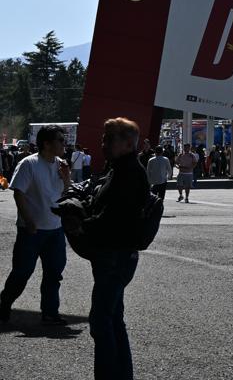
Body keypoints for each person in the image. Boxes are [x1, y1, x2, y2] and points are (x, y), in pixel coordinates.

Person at [81, 117, 150, 379]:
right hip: (114, 255)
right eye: (103, 137)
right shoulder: (120, 169)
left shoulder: (128, 173)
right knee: (113, 320)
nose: (103, 143)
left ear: (129, 143)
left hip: (115, 255)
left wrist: (82, 224)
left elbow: (115, 218)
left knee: (101, 322)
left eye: (109, 139)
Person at [0, 124, 71, 326]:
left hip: (55, 229)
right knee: (22, 273)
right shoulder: (29, 164)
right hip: (31, 230)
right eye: (60, 140)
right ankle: (5, 301)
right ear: (47, 144)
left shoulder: (61, 164)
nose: (64, 144)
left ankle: (50, 313)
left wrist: (66, 179)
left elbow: (65, 194)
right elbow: (18, 192)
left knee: (54, 274)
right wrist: (28, 220)